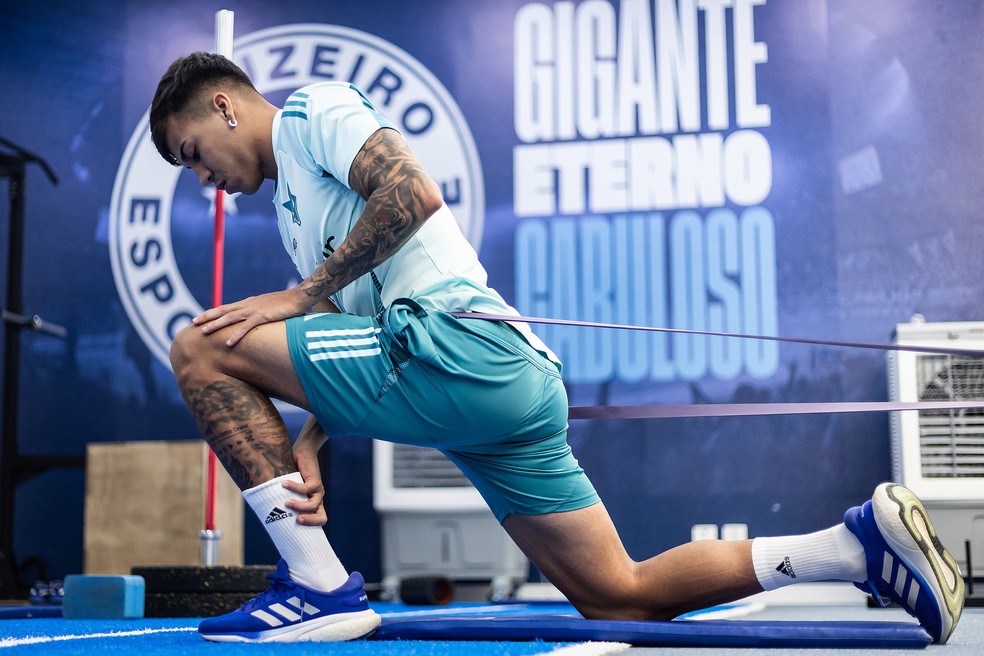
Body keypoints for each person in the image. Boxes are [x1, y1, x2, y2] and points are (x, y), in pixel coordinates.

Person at [148, 52, 965, 644]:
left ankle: (317, 586)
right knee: (622, 596)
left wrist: (295, 298)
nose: (201, 178)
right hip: (500, 385)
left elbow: (413, 192)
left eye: (191, 155)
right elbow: (356, 313)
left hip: (456, 349)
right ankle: (853, 547)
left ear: (225, 106)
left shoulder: (311, 112)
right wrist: (311, 435)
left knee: (199, 349)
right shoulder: (295, 211)